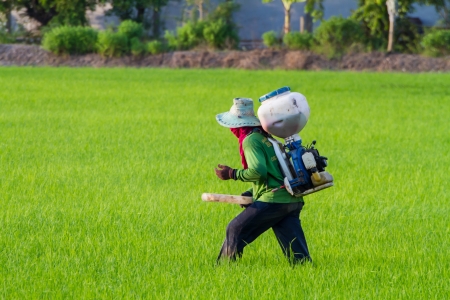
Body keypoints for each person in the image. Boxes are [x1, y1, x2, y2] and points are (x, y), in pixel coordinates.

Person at [214, 97, 311, 264]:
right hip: (291, 200)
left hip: (274, 200)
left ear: (237, 124)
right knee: (298, 257)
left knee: (235, 229)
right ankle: (308, 274)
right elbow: (275, 173)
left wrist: (232, 173)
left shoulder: (250, 140)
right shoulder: (267, 138)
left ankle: (222, 271)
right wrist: (252, 193)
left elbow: (258, 171)